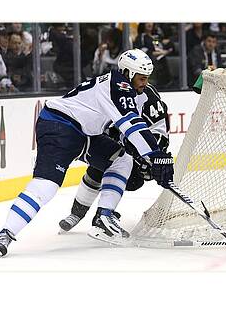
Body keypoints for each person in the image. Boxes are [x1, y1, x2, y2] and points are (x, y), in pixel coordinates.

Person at [0, 49, 175, 258]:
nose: (144, 84)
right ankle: (5, 234)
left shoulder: (122, 87)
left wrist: (146, 155)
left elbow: (117, 128)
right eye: (141, 78)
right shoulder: (118, 86)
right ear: (128, 73)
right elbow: (131, 125)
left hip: (83, 133)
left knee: (122, 159)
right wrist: (154, 155)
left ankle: (104, 217)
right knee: (46, 186)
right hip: (59, 127)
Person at [58, 81, 170, 232]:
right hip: (115, 144)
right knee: (100, 165)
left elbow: (160, 134)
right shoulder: (111, 90)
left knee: (134, 181)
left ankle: (104, 213)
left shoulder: (150, 99)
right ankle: (77, 214)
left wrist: (151, 158)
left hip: (139, 151)